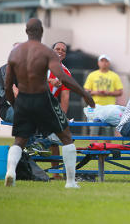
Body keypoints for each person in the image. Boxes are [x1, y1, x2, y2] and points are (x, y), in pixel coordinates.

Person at [4, 18, 95, 188]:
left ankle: (11, 172)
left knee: (19, 140)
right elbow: (62, 77)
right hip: (42, 98)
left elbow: (8, 85)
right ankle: (70, 182)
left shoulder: (15, 53)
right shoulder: (46, 52)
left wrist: (15, 104)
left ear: (26, 31)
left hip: (23, 99)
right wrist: (84, 93)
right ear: (41, 32)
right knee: (66, 137)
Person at [46, 41, 72, 180]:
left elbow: (65, 96)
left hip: (49, 110)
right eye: (57, 48)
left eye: (63, 50)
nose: (60, 51)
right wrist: (50, 82)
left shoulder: (65, 72)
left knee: (56, 139)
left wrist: (62, 116)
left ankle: (56, 174)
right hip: (32, 105)